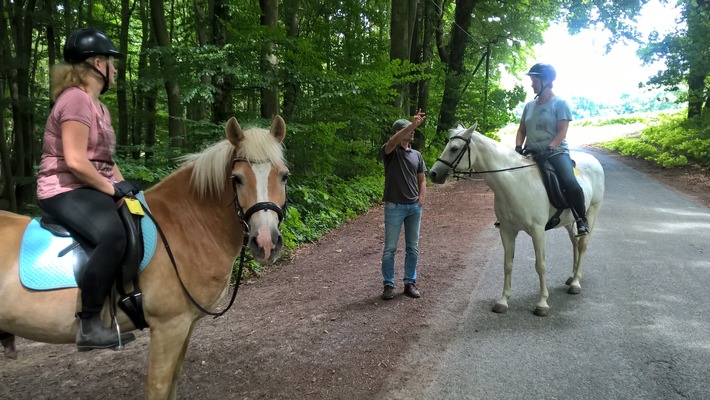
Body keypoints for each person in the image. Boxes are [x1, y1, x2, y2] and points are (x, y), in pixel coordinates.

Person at [36, 27, 139, 351]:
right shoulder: (76, 100)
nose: (115, 68)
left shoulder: (100, 108)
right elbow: (77, 162)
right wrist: (112, 190)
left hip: (89, 185)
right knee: (112, 235)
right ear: (97, 63)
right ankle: (89, 323)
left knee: (136, 219)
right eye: (111, 61)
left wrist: (127, 190)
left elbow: (106, 162)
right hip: (63, 187)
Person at [515, 63, 589, 236]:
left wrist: (549, 149)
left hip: (555, 152)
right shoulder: (529, 106)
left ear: (546, 81)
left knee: (570, 183)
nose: (531, 84)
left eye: (534, 80)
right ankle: (508, 216)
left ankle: (581, 219)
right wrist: (518, 147)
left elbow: (562, 131)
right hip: (531, 153)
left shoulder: (560, 103)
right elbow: (521, 130)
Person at [380, 111, 427, 300]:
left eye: (413, 129)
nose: (413, 132)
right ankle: (389, 285)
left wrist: (422, 197)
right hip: (394, 207)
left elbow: (422, 180)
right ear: (399, 131)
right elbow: (392, 142)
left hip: (414, 208)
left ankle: (410, 283)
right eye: (408, 129)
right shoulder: (390, 151)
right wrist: (412, 124)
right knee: (390, 248)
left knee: (412, 248)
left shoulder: (416, 155)